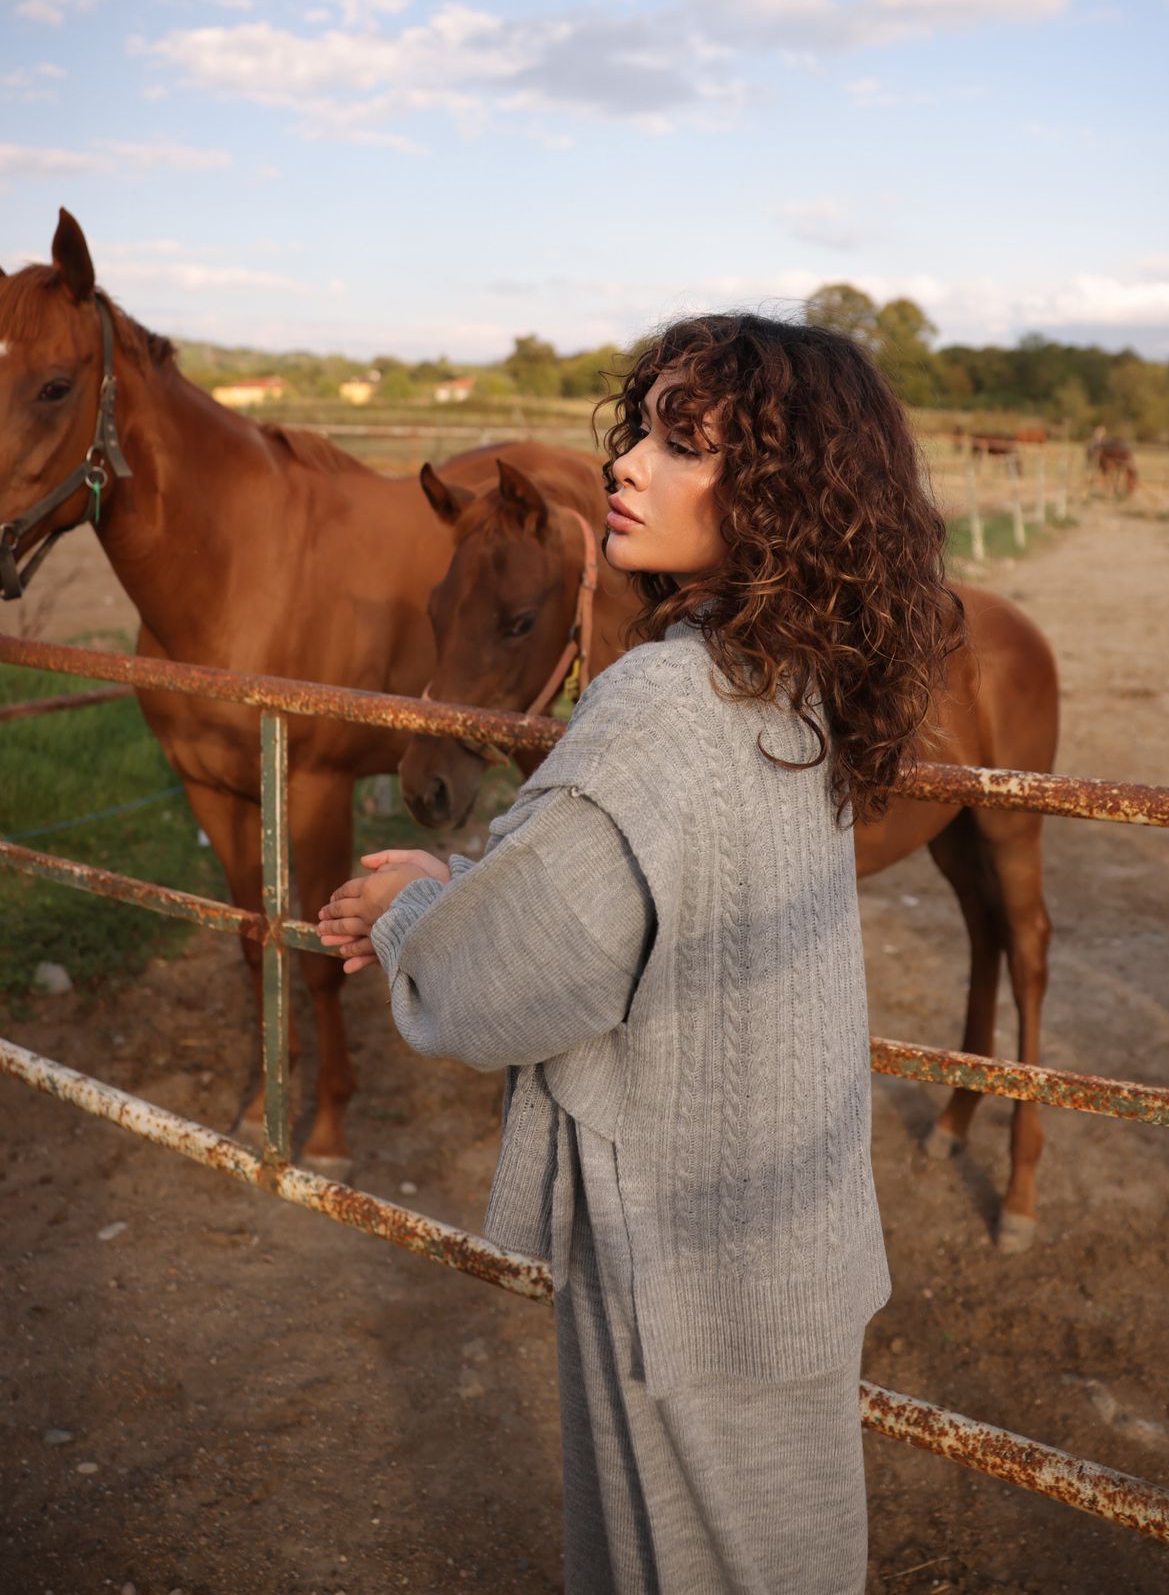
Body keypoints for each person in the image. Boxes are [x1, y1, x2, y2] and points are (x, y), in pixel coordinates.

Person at [318, 312, 963, 1594]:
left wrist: (409, 919)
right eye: (639, 433)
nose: (626, 466)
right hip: (791, 1240)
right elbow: (628, 895)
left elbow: (505, 976)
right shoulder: (791, 682)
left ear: (776, 495)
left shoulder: (667, 700)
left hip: (684, 1274)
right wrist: (457, 875)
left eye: (684, 445)